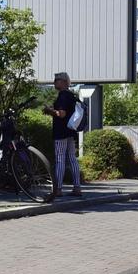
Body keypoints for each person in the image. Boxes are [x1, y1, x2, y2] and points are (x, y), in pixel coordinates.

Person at [49, 71, 83, 199]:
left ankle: (58, 189)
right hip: (71, 131)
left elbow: (61, 114)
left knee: (59, 159)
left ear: (63, 81)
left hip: (60, 132)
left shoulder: (63, 96)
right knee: (72, 159)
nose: (54, 82)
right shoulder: (71, 95)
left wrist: (49, 111)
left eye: (56, 80)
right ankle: (77, 187)